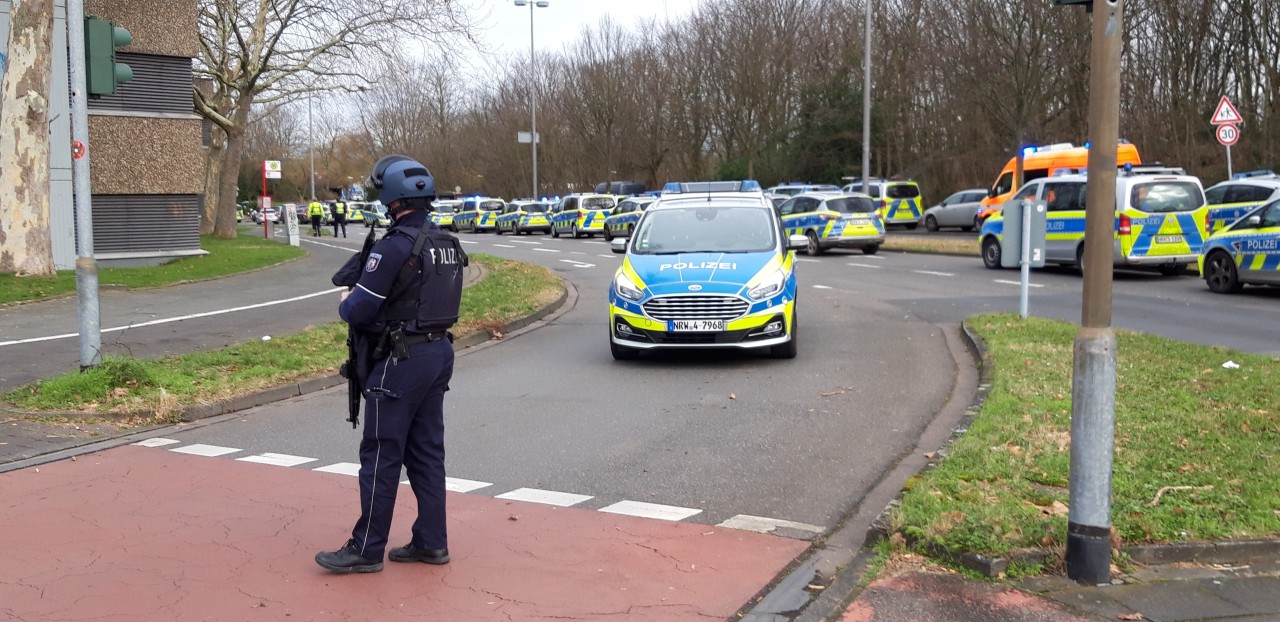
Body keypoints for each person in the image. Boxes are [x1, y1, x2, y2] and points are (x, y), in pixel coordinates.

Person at [316, 155, 468, 574]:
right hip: (438, 354)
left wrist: (346, 304)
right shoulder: (447, 243)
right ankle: (431, 542)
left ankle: (366, 549)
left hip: (400, 360)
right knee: (426, 453)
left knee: (382, 453)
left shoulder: (395, 246)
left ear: (391, 198)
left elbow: (360, 308)